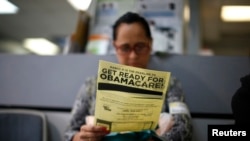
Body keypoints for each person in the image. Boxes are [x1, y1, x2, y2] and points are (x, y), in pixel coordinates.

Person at [65, 12, 192, 141]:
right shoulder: (91, 86)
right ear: (115, 47)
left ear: (150, 44)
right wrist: (80, 138)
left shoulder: (170, 84)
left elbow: (184, 128)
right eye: (125, 48)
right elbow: (68, 133)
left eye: (140, 46)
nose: (133, 56)